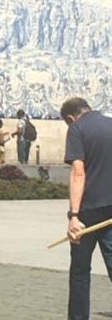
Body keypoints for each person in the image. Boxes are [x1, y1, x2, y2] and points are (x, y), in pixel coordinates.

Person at [61, 96, 112, 319]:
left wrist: (73, 215)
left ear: (71, 118)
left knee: (80, 271)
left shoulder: (77, 129)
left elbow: (78, 172)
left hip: (88, 212)